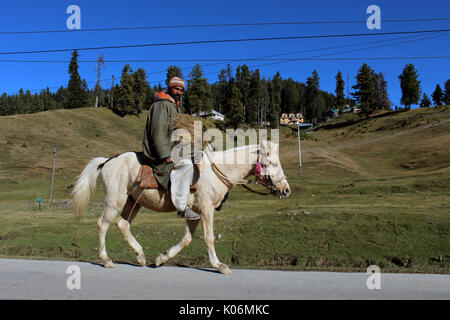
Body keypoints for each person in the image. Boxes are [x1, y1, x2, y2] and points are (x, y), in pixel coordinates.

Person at [142, 77, 200, 220]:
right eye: (176, 89)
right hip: (159, 155)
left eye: (181, 90)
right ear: (169, 88)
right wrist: (165, 154)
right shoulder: (162, 105)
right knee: (186, 165)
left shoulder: (173, 106)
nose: (179, 92)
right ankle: (182, 207)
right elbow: (158, 131)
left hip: (173, 150)